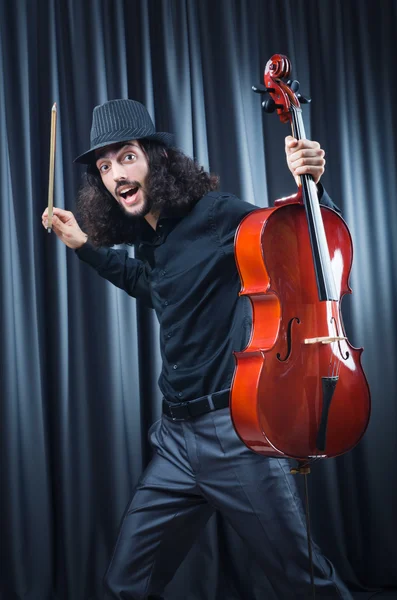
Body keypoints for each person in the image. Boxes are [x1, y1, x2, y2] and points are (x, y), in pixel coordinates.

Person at [42, 99, 351, 600]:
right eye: (103, 166)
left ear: (157, 159)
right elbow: (155, 290)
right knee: (127, 583)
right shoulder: (151, 236)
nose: (114, 172)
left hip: (234, 435)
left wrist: (314, 187)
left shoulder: (215, 214)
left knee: (305, 583)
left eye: (125, 156)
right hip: (175, 441)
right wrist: (84, 245)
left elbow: (310, 245)